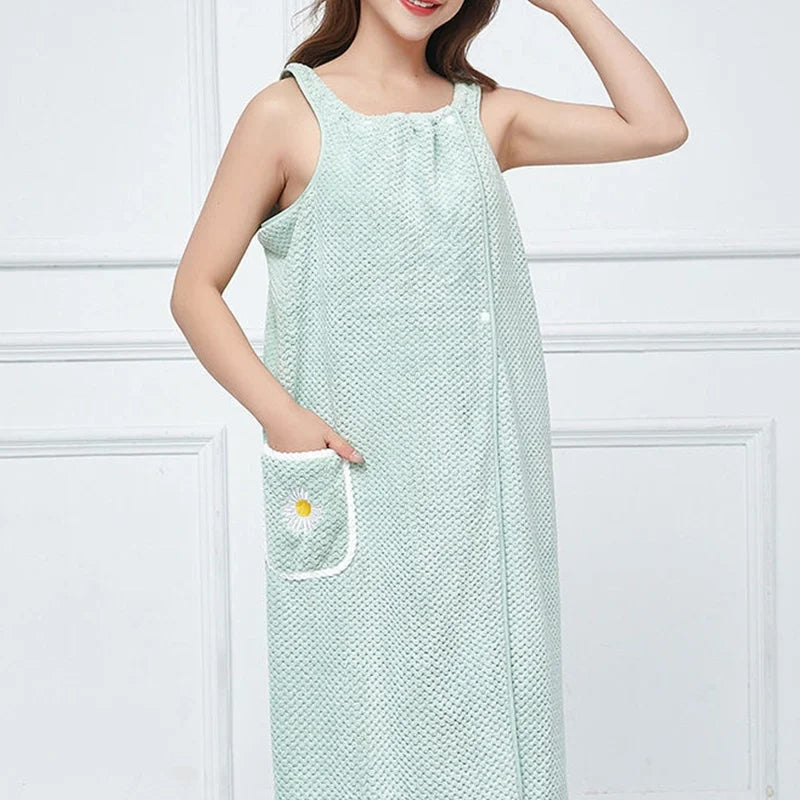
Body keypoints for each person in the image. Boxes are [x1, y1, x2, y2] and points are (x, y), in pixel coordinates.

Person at [170, 0, 687, 798]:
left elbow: (656, 126)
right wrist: (284, 417)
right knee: (358, 731)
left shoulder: (487, 119)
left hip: (486, 496)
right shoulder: (286, 115)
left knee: (495, 728)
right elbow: (195, 290)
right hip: (358, 483)